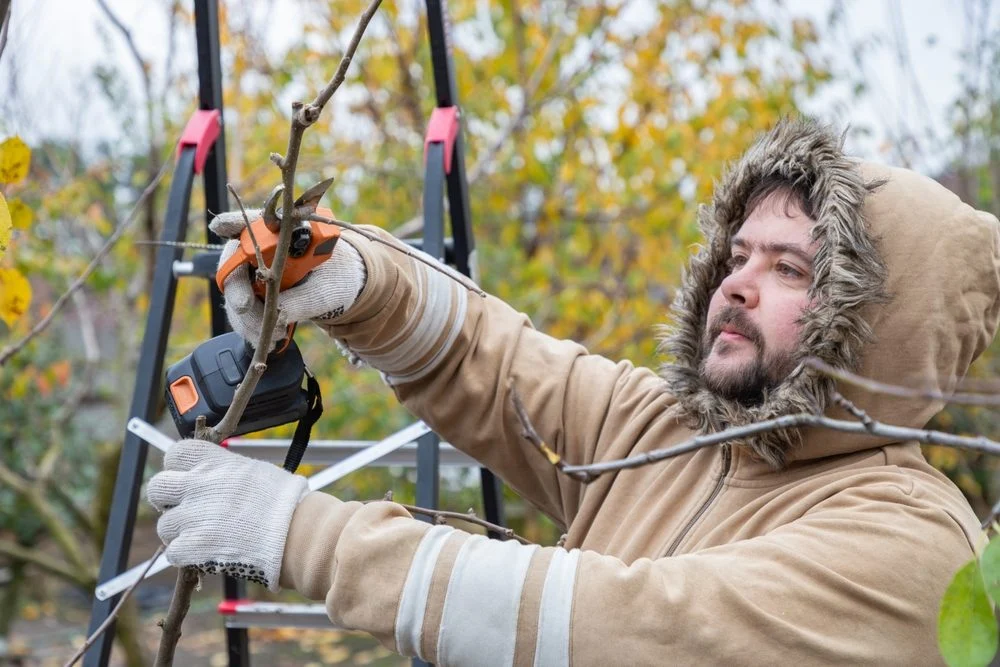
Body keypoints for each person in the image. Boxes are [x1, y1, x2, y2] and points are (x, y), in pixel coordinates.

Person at [147, 119, 1000, 665]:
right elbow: (494, 359)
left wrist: (305, 534)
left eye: (790, 268)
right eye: (736, 256)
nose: (736, 286)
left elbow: (628, 628)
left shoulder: (911, 543)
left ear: (880, 323)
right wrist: (353, 274)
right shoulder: (673, 431)